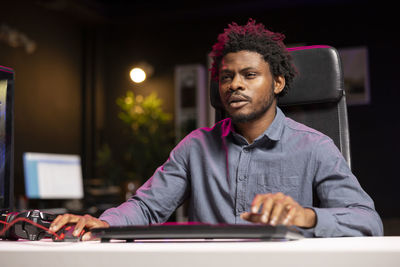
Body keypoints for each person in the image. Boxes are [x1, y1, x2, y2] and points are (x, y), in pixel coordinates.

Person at [50, 19, 383, 239]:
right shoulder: (196, 146)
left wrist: (306, 217)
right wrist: (107, 222)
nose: (234, 84)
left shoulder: (315, 147)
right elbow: (148, 206)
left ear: (278, 82)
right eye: (227, 76)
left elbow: (368, 223)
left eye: (249, 75)